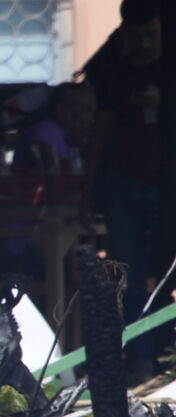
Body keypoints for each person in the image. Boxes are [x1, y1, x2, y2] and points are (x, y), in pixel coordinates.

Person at [81, 0, 164, 378]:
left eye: (152, 35)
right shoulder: (112, 68)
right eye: (136, 36)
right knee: (127, 276)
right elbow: (101, 130)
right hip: (122, 184)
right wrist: (88, 191)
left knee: (165, 273)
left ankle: (165, 357)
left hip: (166, 184)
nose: (144, 44)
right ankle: (141, 361)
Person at [12, 82, 96, 172]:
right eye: (87, 111)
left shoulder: (69, 136)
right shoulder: (47, 129)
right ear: (62, 110)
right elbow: (38, 146)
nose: (92, 120)